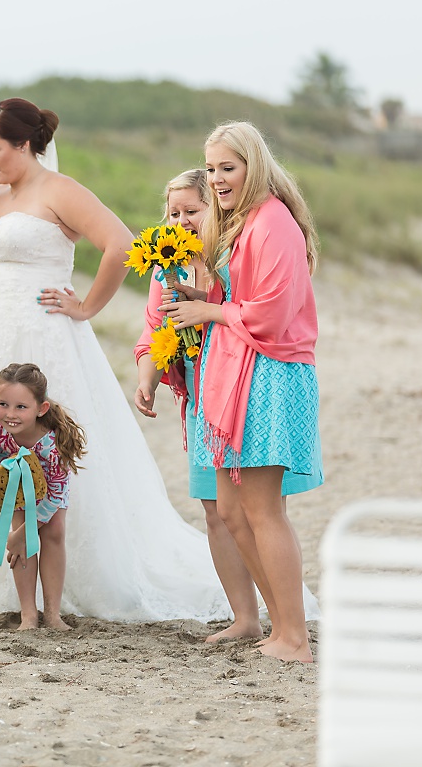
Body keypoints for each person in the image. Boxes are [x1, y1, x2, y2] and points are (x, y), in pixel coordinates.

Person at [0, 98, 232, 622]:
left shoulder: (59, 191)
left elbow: (119, 242)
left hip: (43, 330)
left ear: (24, 143)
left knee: (50, 446)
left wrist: (85, 307)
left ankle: (62, 582)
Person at [134, 169, 321, 642]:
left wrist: (205, 306)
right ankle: (247, 618)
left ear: (214, 211)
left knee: (259, 507)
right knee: (217, 510)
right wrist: (148, 377)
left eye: (192, 211)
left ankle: (285, 623)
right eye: (173, 213)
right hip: (202, 393)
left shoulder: (228, 256)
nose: (182, 221)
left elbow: (253, 311)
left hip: (245, 381)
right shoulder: (166, 264)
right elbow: (155, 327)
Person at [0, 363, 86, 631]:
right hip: (16, 480)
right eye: (3, 404)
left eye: (21, 407)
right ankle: (28, 615)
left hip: (51, 487)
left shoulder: (52, 444)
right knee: (22, 540)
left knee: (53, 532)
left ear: (41, 409)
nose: (10, 414)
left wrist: (23, 533)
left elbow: (56, 493)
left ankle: (52, 613)